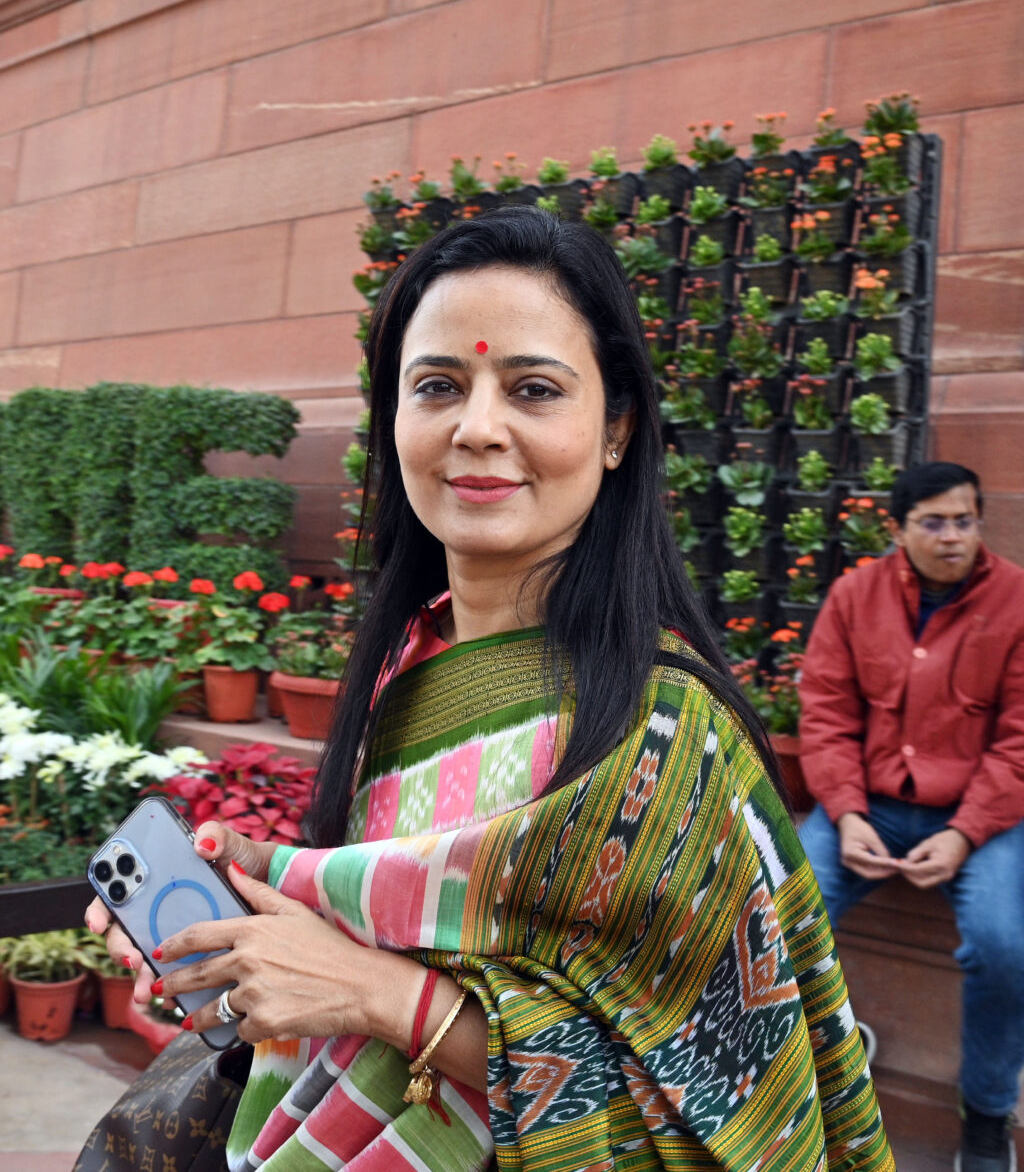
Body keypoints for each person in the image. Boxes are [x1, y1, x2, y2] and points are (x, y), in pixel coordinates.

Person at [87, 208, 893, 1171]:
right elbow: (399, 917)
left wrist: (380, 995)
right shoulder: (407, 668)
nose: (477, 428)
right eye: (437, 385)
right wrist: (254, 916)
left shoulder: (669, 735)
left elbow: (721, 1114)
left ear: (616, 429)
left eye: (534, 389)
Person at [798, 461, 1024, 1172]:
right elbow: (827, 716)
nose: (952, 536)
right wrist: (847, 813)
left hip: (981, 817)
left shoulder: (1018, 600)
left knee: (1003, 944)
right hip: (871, 809)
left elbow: (1022, 737)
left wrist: (964, 831)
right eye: (933, 521)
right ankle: (824, 1052)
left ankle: (986, 1110)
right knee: (779, 913)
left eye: (964, 519)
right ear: (897, 530)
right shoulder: (853, 596)